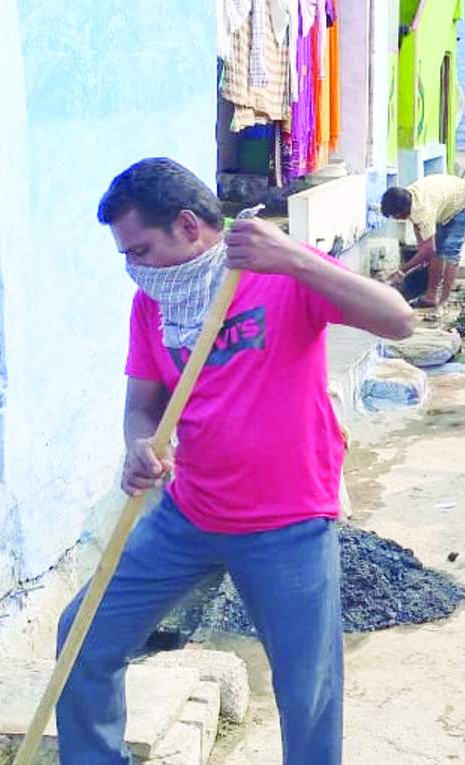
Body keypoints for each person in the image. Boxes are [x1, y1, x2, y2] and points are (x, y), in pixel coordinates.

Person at [60, 157, 415, 765]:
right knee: (83, 635)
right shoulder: (155, 304)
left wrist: (296, 257)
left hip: (288, 522)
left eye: (141, 250)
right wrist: (138, 445)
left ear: (189, 226)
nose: (133, 269)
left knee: (307, 692)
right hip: (188, 514)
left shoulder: (280, 275)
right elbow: (141, 407)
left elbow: (399, 320)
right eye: (126, 255)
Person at [381, 174, 465, 313]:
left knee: (450, 250)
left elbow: (429, 248)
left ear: (403, 210)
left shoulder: (422, 208)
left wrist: (402, 271)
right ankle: (430, 296)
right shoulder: (406, 197)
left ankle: (443, 302)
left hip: (463, 201)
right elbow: (418, 228)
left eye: (396, 216)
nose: (397, 219)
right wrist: (420, 249)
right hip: (445, 202)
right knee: (437, 251)